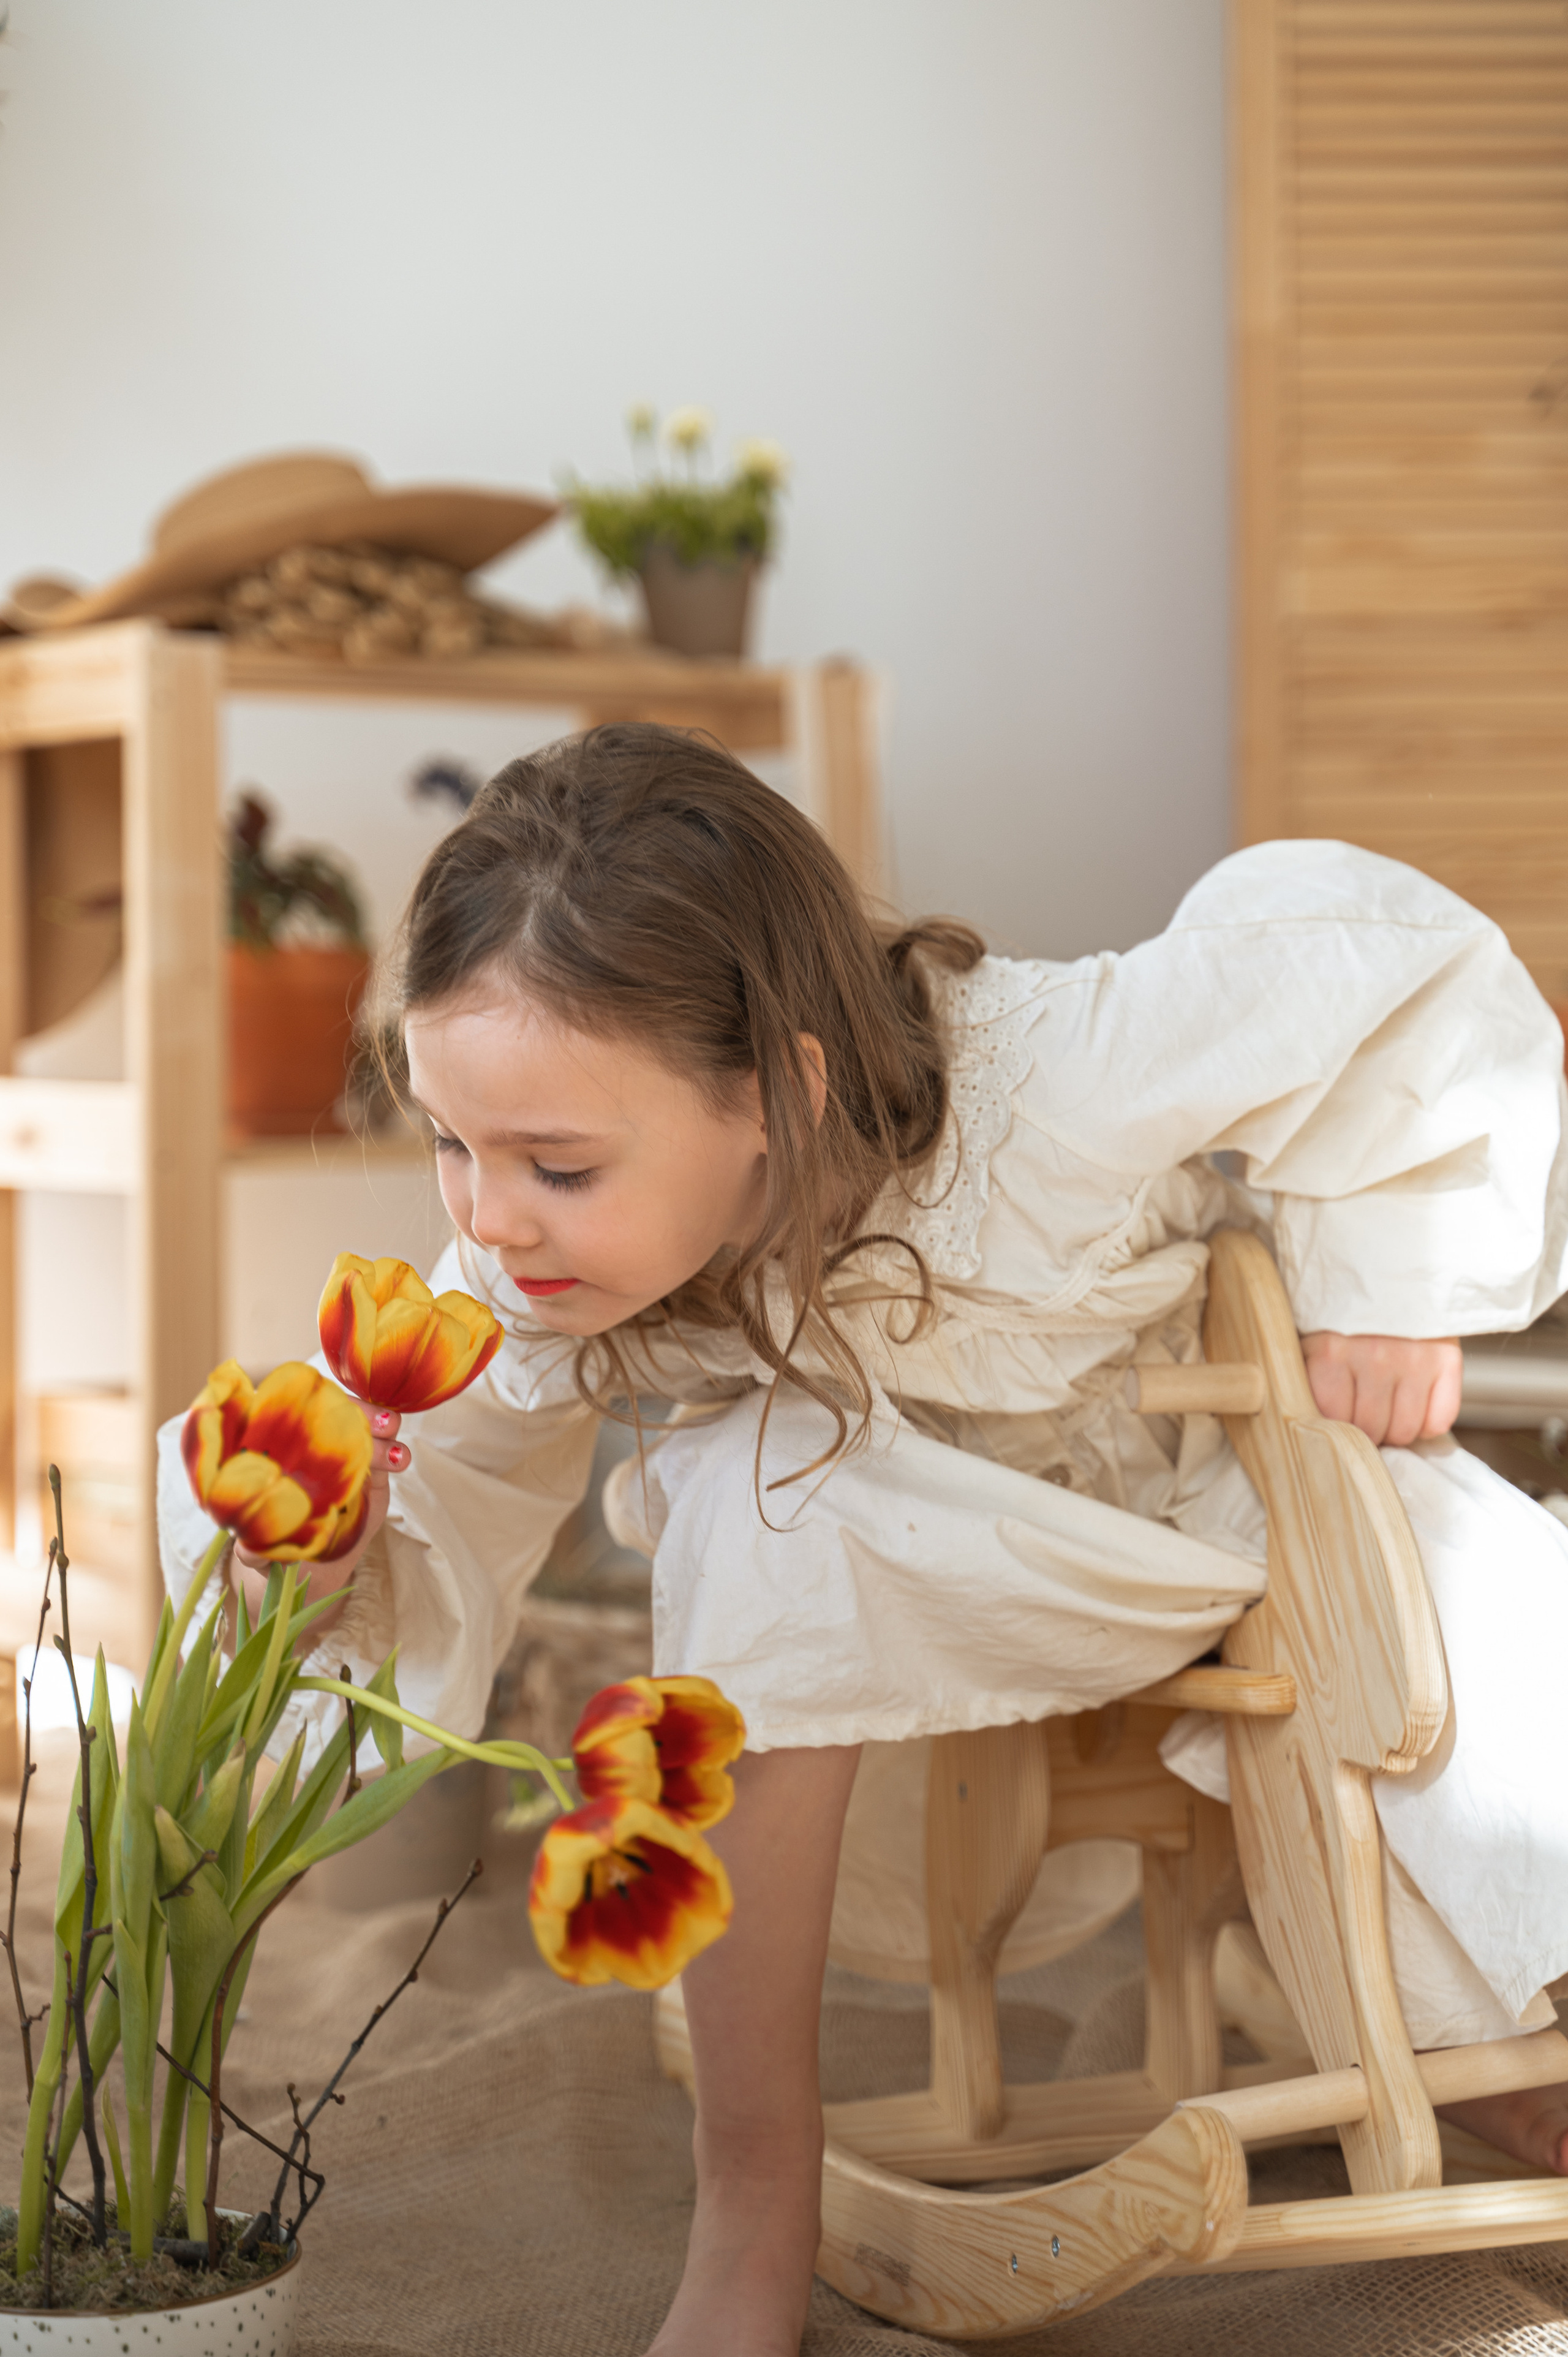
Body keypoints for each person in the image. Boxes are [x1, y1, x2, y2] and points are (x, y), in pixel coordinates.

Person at [159, 724, 1568, 2357]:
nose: (487, 1216)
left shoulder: (1053, 1079)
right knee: (763, 1490)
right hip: (925, 1579)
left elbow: (1377, 968)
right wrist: (331, 1564)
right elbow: (456, 1491)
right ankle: (753, 2190)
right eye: (452, 1144)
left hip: (1197, 1501)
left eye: (554, 1163)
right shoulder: (525, 1273)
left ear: (784, 1096)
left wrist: (1387, 1280)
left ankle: (1526, 2040)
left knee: (1466, 1626)